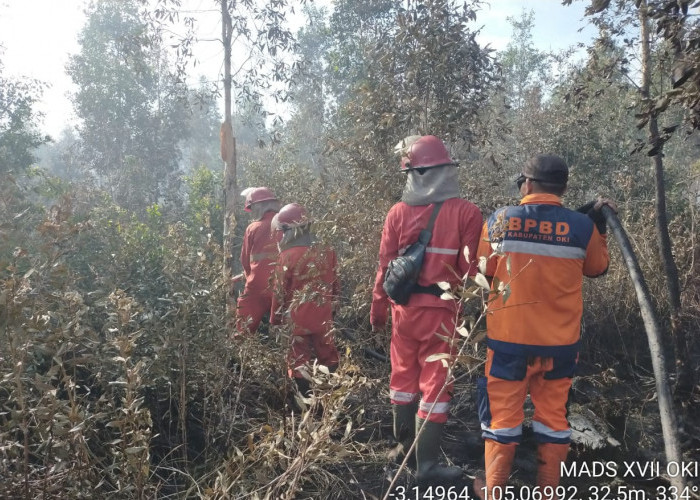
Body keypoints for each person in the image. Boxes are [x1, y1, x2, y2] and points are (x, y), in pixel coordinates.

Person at [474, 154, 613, 500]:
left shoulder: (500, 220)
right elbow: (597, 268)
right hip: (559, 347)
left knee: (502, 420)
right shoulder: (583, 227)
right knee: (553, 420)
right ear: (563, 188)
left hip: (508, 343)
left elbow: (484, 271)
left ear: (528, 183)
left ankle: (494, 492)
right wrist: (597, 225)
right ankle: (548, 493)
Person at [370, 135, 483, 485]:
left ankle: (402, 450)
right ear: (445, 171)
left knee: (403, 377)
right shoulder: (467, 212)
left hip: (403, 311)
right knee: (435, 384)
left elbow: (385, 266)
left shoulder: (397, 213)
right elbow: (474, 270)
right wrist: (472, 314)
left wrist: (377, 307)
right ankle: (427, 465)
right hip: (443, 313)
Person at [270, 203, 340, 398]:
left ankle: (303, 404)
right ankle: (331, 400)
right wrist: (333, 307)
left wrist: (275, 319)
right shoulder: (327, 250)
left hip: (296, 320)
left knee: (299, 360)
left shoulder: (286, 256)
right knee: (329, 356)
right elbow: (335, 283)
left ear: (289, 230)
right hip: (323, 318)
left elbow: (279, 292)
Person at [234, 187, 281, 337]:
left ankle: (240, 354)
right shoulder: (287, 224)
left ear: (258, 207)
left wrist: (248, 276)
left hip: (257, 285)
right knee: (289, 331)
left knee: (244, 328)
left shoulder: (253, 228)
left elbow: (245, 260)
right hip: (283, 283)